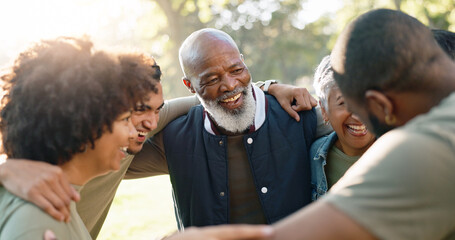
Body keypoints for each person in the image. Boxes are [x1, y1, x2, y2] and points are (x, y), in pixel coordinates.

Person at [0, 50, 320, 239]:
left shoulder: (123, 149)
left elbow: (207, 99)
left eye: (155, 111)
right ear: (84, 119)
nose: (150, 124)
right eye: (129, 115)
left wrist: (268, 87)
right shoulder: (36, 210)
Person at [268, 8, 455, 239]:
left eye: (360, 110)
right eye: (342, 105)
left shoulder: (425, 148)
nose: (356, 117)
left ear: (381, 105)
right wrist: (269, 86)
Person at [127, 28, 319, 229]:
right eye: (212, 80)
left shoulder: (300, 115)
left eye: (236, 70)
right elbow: (111, 154)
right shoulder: (175, 139)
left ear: (244, 62)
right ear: (189, 85)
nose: (229, 85)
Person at [0, 37, 140, 239]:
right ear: (82, 123)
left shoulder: (55, 202)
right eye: (125, 119)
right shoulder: (38, 217)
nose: (133, 133)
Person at [310, 55, 375, 200]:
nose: (359, 115)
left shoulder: (400, 150)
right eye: (344, 103)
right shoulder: (316, 157)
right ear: (324, 110)